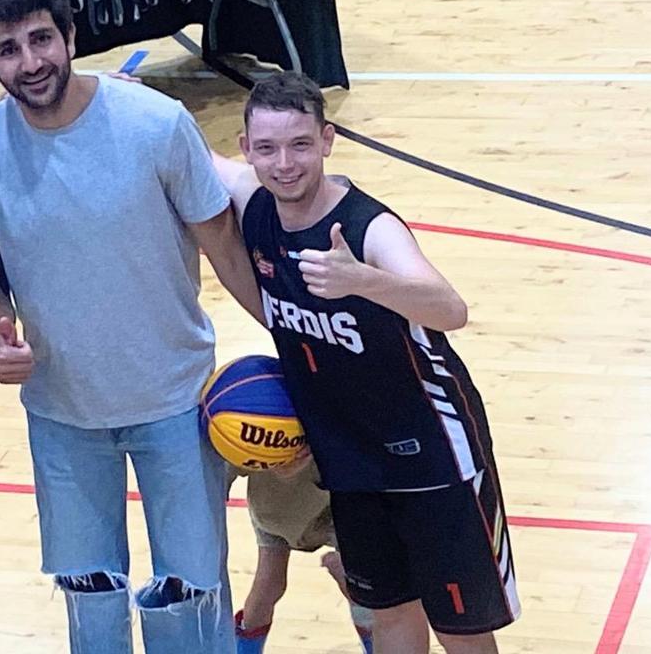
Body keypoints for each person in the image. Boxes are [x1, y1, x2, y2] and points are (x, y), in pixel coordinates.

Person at [0, 0, 265, 654]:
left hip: (175, 403)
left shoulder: (156, 124)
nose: (29, 62)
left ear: (70, 34)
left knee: (192, 597)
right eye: (8, 49)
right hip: (62, 416)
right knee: (90, 606)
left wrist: (294, 337)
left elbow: (226, 247)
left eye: (41, 39)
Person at [212, 71, 520, 653]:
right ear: (246, 146)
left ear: (327, 140)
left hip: (432, 454)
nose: (285, 164)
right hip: (350, 459)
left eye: (301, 145)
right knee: (391, 616)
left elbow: (451, 309)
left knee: (460, 629)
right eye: (268, 148)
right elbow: (178, 147)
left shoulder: (369, 228)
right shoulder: (254, 202)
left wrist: (362, 280)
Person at [230, 454, 374, 654]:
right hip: (330, 500)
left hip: (275, 506)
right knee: (360, 587)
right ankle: (377, 644)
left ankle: (244, 649)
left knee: (268, 584)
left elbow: (228, 460)